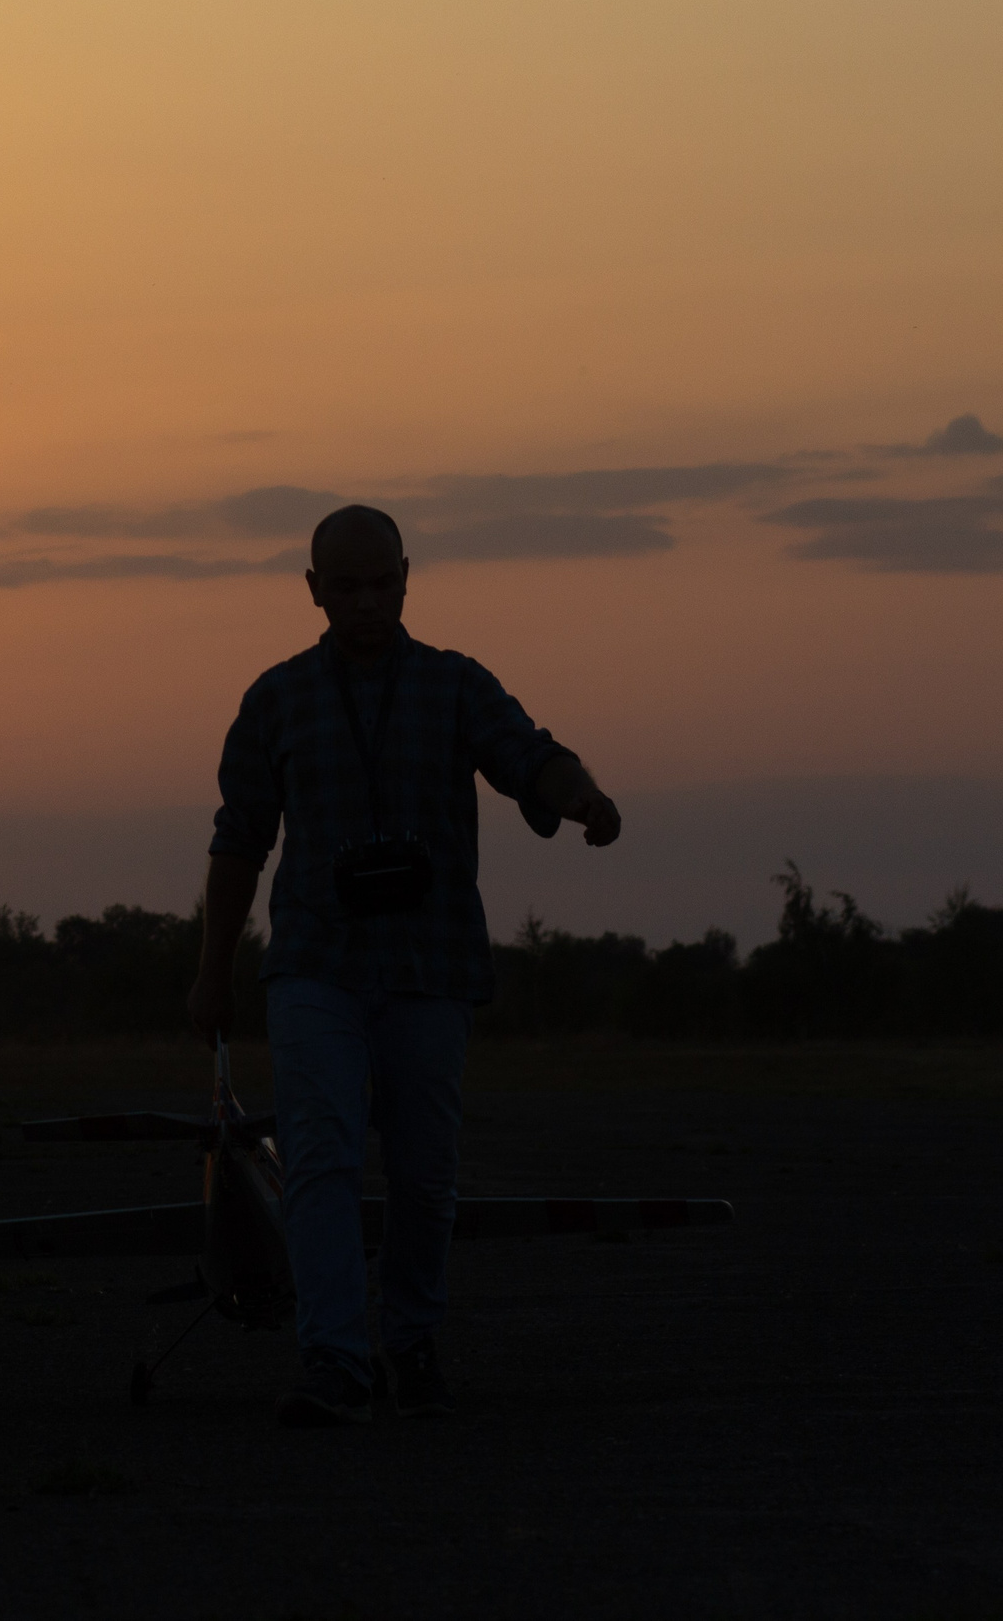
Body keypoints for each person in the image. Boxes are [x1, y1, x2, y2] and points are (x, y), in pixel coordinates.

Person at [186, 504, 620, 1427]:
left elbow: (528, 755)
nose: (367, 602)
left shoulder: (457, 687)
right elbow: (238, 843)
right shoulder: (276, 700)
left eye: (382, 583)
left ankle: (412, 1343)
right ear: (312, 590)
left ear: (408, 579)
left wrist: (580, 797)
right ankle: (336, 1359)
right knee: (321, 1157)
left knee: (425, 1172)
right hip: (314, 966)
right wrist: (211, 970)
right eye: (345, 586)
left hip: (429, 966)